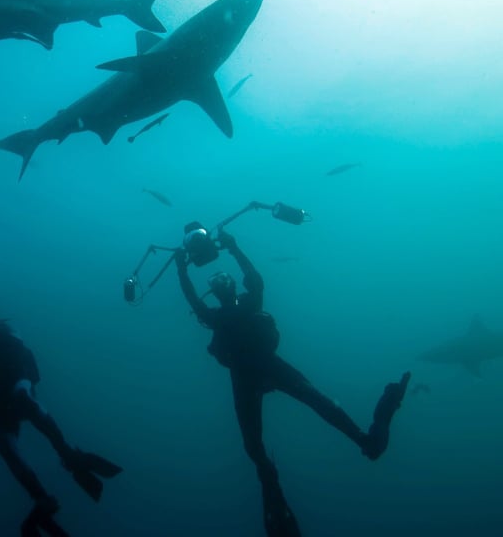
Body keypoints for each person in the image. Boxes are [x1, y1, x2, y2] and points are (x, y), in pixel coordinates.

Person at [174, 228, 410, 537]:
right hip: (266, 369)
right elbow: (249, 279)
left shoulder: (222, 315)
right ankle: (361, 445)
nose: (219, 280)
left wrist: (185, 266)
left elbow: (205, 294)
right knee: (305, 409)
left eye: (222, 279)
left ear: (225, 289)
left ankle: (278, 484)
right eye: (216, 280)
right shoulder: (243, 306)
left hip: (247, 376)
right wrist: (232, 247)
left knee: (275, 431)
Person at [0, 295, 122, 528]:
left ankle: (68, 453)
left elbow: (16, 341)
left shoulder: (3, 328)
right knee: (5, 445)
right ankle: (41, 497)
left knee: (23, 397)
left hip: (17, 378)